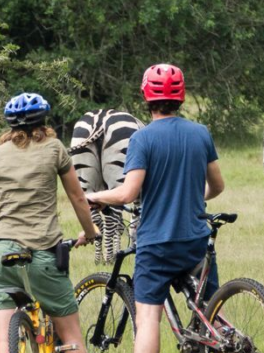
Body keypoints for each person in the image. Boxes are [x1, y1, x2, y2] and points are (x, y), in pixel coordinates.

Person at [84, 64, 226, 353]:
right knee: (211, 310)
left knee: (148, 317)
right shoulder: (200, 133)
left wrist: (96, 196)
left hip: (157, 243)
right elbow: (218, 186)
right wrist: (194, 200)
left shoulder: (142, 138)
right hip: (196, 241)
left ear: (145, 97)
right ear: (181, 97)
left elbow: (127, 193)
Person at [0, 92, 98, 353]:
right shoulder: (54, 149)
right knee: (72, 337)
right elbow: (78, 197)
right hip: (42, 253)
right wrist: (90, 231)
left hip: (1, 255)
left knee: (4, 341)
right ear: (44, 121)